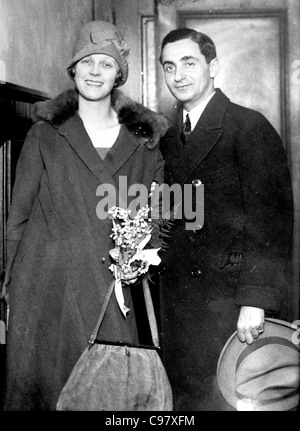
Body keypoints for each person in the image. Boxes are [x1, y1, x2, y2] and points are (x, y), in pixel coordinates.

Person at [1, 20, 168, 410]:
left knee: (107, 393)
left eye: (106, 64)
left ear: (119, 74)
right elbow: (17, 218)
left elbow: (156, 214)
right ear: (73, 69)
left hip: (111, 292)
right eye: (87, 62)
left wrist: (142, 255)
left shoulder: (144, 144)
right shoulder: (45, 135)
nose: (95, 71)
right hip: (47, 290)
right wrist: (11, 289)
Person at [157, 28, 294, 410]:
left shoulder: (248, 127)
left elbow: (272, 224)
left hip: (231, 306)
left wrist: (256, 300)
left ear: (213, 67)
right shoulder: (168, 139)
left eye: (189, 63)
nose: (179, 75)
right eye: (169, 67)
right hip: (181, 305)